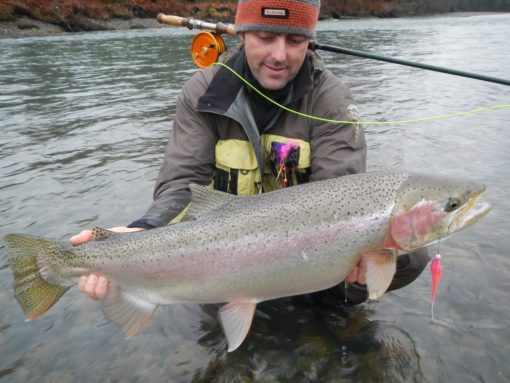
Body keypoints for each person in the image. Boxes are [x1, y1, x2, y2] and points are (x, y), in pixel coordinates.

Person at [71, 0, 429, 304]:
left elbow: (341, 194)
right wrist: (143, 230)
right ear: (241, 34)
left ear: (309, 42)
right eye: (265, 37)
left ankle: (320, 303)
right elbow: (183, 183)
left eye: (295, 40)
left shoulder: (330, 99)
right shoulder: (203, 92)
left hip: (304, 252)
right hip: (225, 251)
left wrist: (359, 256)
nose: (279, 55)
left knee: (409, 256)